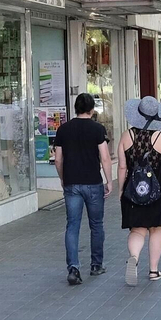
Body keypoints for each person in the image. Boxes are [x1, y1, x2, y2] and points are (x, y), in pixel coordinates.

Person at [115, 96, 161, 285]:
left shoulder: (126, 136)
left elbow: (121, 167)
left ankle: (134, 257)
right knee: (155, 229)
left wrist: (120, 190)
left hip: (132, 191)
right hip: (158, 191)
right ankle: (153, 271)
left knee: (137, 230)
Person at [52, 93, 112, 285]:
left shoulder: (63, 129)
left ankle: (74, 268)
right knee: (96, 224)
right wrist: (109, 181)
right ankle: (96, 265)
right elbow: (104, 158)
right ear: (92, 110)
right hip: (93, 183)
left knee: (72, 226)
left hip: (72, 184)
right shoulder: (97, 129)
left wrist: (63, 178)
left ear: (75, 108)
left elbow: (58, 159)